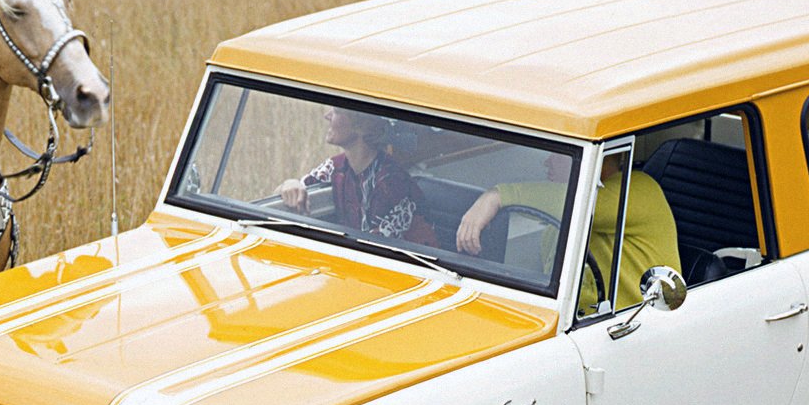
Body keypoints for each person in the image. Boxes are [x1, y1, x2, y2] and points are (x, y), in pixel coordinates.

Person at [456, 155, 678, 312]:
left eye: (559, 154)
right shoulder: (556, 228)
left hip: (640, 321)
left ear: (598, 159)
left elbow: (581, 205)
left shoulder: (640, 189)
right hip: (588, 324)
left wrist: (496, 196)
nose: (547, 162)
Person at [277, 108, 437, 245]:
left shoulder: (392, 184)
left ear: (362, 126)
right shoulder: (336, 166)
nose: (327, 115)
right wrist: (290, 185)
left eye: (337, 111)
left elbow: (374, 251)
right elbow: (289, 192)